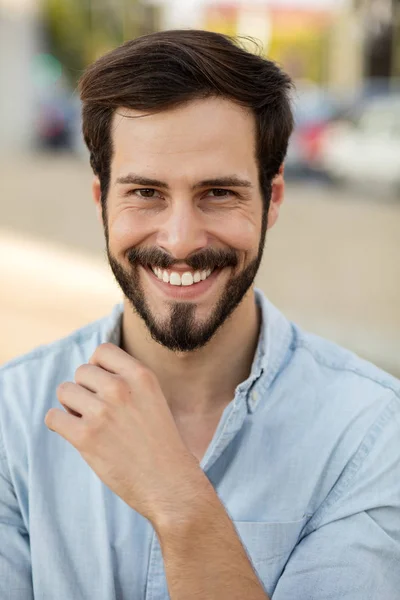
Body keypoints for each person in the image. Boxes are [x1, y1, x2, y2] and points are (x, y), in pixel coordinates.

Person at [0, 29, 399, 600]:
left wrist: (177, 501)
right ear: (101, 202)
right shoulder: (12, 421)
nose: (181, 241)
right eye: (145, 193)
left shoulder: (372, 433)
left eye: (217, 193)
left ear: (274, 200)